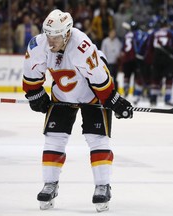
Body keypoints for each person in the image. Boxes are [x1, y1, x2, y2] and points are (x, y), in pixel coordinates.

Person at [22, 9, 133, 212]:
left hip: (92, 93)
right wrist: (35, 94)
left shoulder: (82, 46)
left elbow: (99, 78)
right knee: (54, 136)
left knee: (96, 137)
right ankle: (50, 184)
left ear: (66, 33)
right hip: (63, 94)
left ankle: (102, 185)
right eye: (47, 34)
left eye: (54, 36)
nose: (50, 40)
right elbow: (31, 74)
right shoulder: (39, 44)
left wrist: (112, 100)